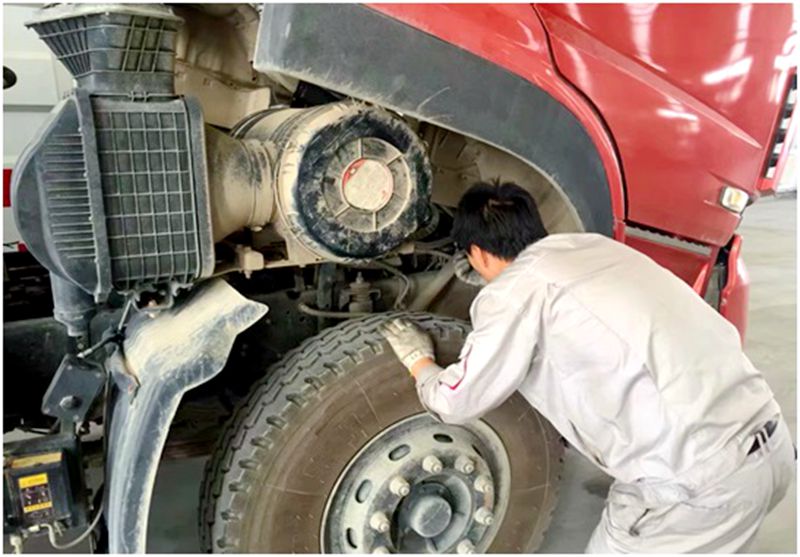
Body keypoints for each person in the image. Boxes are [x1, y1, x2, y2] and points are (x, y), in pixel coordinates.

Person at [380, 181, 794, 553]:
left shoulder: (510, 295)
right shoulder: (593, 248)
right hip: (769, 445)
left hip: (698, 487)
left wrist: (420, 362)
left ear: (477, 253)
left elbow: (456, 400)